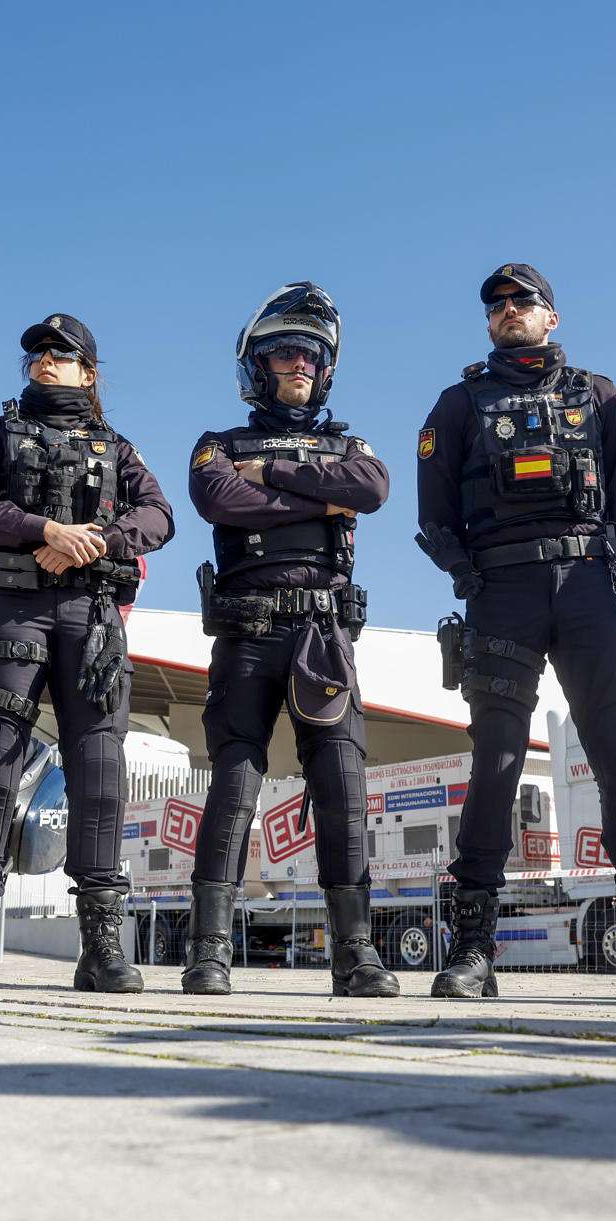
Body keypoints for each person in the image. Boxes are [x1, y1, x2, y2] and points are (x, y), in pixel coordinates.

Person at [416, 263, 616, 1001]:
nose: (508, 310)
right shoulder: (457, 402)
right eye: (496, 305)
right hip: (501, 593)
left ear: (552, 316)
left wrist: (589, 560)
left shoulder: (599, 393)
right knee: (497, 762)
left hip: (586, 588)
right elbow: (433, 511)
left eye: (523, 301)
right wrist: (471, 575)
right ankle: (473, 950)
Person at [0, 313, 175, 992]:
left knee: (99, 777)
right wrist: (46, 528)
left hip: (91, 616)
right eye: (38, 351)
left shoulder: (116, 447)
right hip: (12, 609)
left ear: (88, 372)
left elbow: (159, 516)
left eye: (61, 352)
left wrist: (93, 542)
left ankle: (101, 949)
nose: (46, 358)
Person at [182, 282, 396, 998]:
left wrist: (272, 474)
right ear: (257, 365)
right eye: (284, 353)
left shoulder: (350, 447)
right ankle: (208, 953)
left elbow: (373, 488)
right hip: (248, 631)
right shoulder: (218, 446)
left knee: (342, 786)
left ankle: (355, 955)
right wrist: (320, 498)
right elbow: (219, 498)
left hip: (323, 635)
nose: (299, 363)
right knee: (234, 785)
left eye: (310, 354)